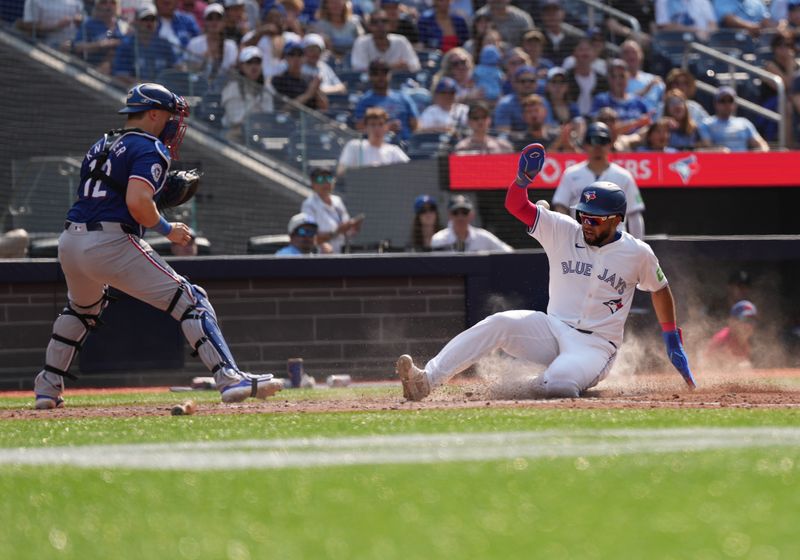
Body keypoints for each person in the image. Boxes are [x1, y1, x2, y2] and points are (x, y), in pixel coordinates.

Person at [32, 83, 284, 410]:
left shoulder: (102, 143)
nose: (173, 124)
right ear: (153, 113)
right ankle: (229, 378)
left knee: (81, 310)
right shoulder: (151, 147)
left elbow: (114, 194)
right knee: (192, 300)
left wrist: (153, 199)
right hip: (109, 241)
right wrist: (167, 229)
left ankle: (47, 389)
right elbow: (137, 202)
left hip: (70, 241)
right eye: (169, 115)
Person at [396, 144, 696, 401]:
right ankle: (426, 381)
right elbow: (516, 205)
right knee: (499, 322)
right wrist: (522, 180)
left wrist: (672, 339)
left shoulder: (637, 252)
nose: (586, 223)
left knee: (562, 384)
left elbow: (659, 289)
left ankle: (529, 386)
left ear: (617, 220)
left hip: (596, 345)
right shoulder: (565, 230)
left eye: (595, 219)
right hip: (552, 328)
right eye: (583, 216)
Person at [552, 122, 646, 239]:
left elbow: (634, 213)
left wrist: (638, 246)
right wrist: (568, 238)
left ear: (610, 144)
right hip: (581, 240)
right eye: (592, 140)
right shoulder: (571, 174)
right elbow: (560, 207)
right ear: (585, 144)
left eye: (603, 141)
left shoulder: (623, 176)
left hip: (617, 243)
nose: (597, 146)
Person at [112, 5, 179, 86]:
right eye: (145, 19)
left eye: (152, 19)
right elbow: (120, 75)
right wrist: (146, 85)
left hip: (163, 92)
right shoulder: (127, 44)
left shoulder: (164, 44)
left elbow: (175, 69)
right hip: (136, 92)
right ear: (136, 21)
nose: (149, 23)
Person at [300, 167, 363, 253]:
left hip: (343, 254)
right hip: (321, 257)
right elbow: (311, 237)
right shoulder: (309, 205)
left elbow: (347, 231)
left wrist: (353, 228)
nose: (326, 183)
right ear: (313, 184)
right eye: (320, 179)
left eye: (329, 178)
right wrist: (337, 231)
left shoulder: (338, 201)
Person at [353, 60, 419, 140]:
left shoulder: (403, 98)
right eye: (375, 73)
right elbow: (360, 129)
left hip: (404, 145)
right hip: (377, 146)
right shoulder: (365, 101)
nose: (380, 77)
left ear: (390, 74)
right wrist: (386, 128)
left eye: (384, 72)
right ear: (370, 76)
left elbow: (415, 126)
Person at [220, 46, 275, 139]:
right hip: (236, 132)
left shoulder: (267, 88)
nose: (254, 66)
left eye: (257, 62)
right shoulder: (232, 88)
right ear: (242, 66)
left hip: (260, 132)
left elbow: (269, 115)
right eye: (249, 62)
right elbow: (235, 120)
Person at [337, 107, 410, 175]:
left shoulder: (394, 151)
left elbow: (410, 172)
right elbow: (341, 172)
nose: (377, 128)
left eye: (380, 124)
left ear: (386, 127)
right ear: (366, 128)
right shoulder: (354, 146)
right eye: (372, 125)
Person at [431, 195, 513, 253]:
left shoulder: (484, 237)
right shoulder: (439, 239)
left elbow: (509, 252)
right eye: (455, 212)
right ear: (449, 215)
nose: (460, 217)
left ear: (472, 214)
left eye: (465, 212)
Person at [350, 9, 421, 73]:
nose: (380, 25)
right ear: (369, 26)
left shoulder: (401, 41)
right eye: (375, 22)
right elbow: (358, 69)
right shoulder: (361, 42)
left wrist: (408, 66)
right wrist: (390, 67)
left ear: (390, 24)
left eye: (384, 21)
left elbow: (415, 65)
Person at [591, 59, 650, 134]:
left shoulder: (639, 102)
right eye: (613, 76)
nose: (618, 80)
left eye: (622, 76)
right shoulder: (601, 100)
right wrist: (636, 123)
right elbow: (599, 128)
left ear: (628, 76)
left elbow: (649, 127)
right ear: (608, 79)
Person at [703, 86, 770, 152]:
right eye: (722, 101)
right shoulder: (707, 123)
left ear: (735, 104)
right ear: (715, 104)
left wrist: (759, 152)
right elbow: (706, 148)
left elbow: (762, 145)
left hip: (744, 162)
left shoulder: (744, 122)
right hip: (720, 161)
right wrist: (719, 152)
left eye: (730, 101)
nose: (727, 104)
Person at [184, 3, 238, 83]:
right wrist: (203, 60)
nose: (214, 22)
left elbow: (232, 73)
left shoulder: (231, 46)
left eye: (218, 18)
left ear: (224, 22)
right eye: (210, 18)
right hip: (198, 87)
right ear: (205, 21)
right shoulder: (194, 43)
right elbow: (187, 70)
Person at [72, 0, 128, 74]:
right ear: (97, 6)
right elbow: (77, 47)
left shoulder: (123, 27)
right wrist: (101, 44)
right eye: (104, 2)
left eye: (113, 2)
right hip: (91, 69)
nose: (109, 5)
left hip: (116, 72)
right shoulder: (89, 24)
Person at [272, 41, 329, 110]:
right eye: (292, 55)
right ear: (286, 58)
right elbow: (284, 109)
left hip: (310, 119)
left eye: (300, 55)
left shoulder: (310, 79)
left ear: (304, 58)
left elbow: (324, 107)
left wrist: (317, 91)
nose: (296, 58)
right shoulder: (279, 80)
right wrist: (308, 94)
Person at [702, 300, 758, 370]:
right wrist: (735, 366)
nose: (748, 325)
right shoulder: (722, 340)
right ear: (732, 321)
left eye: (752, 320)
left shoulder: (747, 342)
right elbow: (707, 366)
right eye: (744, 319)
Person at [565, 37, 609, 117]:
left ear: (594, 54)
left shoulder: (602, 80)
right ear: (574, 54)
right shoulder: (566, 78)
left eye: (588, 50)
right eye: (581, 50)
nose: (585, 53)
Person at [620, 40, 665, 113]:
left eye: (634, 52)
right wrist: (647, 88)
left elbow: (664, 101)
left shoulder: (653, 79)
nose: (631, 56)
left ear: (641, 55)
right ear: (620, 57)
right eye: (626, 52)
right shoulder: (617, 81)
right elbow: (622, 100)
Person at [18, 0, 83, 50]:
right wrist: (56, 26)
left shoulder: (76, 1)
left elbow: (83, 19)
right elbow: (28, 26)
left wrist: (80, 20)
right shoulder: (34, 1)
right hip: (46, 49)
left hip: (74, 48)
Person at [494, 65, 540, 134]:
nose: (527, 84)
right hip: (513, 144)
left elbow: (547, 129)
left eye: (531, 81)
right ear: (514, 83)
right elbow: (503, 134)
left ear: (537, 83)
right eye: (522, 81)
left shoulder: (543, 102)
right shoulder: (505, 104)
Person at [539, 0, 578, 66]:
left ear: (563, 13)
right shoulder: (536, 37)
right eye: (547, 12)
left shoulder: (573, 38)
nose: (551, 16)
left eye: (555, 12)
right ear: (542, 15)